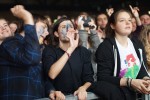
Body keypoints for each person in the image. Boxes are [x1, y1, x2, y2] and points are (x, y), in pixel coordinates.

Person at [91, 9, 150, 100]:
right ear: (112, 25)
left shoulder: (137, 44)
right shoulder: (106, 47)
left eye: (129, 20)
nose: (128, 23)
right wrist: (129, 82)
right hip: (116, 95)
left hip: (132, 95)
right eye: (122, 20)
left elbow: (142, 69)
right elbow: (103, 77)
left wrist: (147, 80)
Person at [42, 17, 94, 100]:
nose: (67, 29)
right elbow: (52, 74)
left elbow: (89, 78)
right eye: (63, 27)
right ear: (56, 33)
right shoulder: (49, 50)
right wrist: (71, 49)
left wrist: (83, 88)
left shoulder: (83, 51)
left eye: (70, 26)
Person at [0, 5, 44, 100]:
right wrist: (27, 18)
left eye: (5, 25)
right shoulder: (7, 43)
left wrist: (50, 90)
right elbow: (31, 57)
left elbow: (38, 73)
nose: (3, 28)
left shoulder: (19, 44)